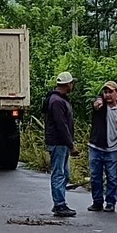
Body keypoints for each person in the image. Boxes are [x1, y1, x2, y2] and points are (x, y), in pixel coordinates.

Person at [43, 71, 77, 217]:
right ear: (67, 84)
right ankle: (59, 204)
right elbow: (61, 124)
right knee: (59, 173)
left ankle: (60, 200)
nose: (72, 85)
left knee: (64, 173)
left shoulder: (57, 99)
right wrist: (70, 144)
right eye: (71, 83)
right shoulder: (57, 101)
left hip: (60, 142)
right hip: (59, 142)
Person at [87, 80, 117, 212]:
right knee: (95, 177)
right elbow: (95, 106)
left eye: (110, 92)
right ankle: (97, 201)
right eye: (105, 92)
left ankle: (110, 202)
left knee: (112, 178)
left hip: (113, 148)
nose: (107, 95)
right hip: (96, 147)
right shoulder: (101, 105)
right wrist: (97, 103)